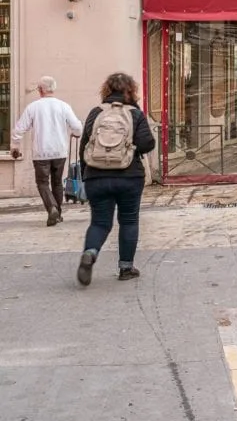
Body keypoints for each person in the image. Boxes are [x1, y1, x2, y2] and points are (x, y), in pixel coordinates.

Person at [75, 73, 156, 285]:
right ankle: (126, 268)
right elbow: (147, 144)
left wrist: (86, 175)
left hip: (96, 176)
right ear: (131, 90)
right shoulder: (135, 114)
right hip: (129, 176)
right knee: (128, 220)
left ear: (106, 90)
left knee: (100, 222)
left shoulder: (96, 112)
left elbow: (84, 145)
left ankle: (91, 253)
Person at [10, 76, 83, 226]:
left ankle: (52, 209)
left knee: (42, 182)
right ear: (53, 89)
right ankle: (58, 213)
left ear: (40, 90)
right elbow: (77, 127)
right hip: (59, 151)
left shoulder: (33, 107)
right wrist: (76, 133)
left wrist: (15, 145)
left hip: (41, 152)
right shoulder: (63, 106)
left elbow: (19, 129)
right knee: (57, 183)